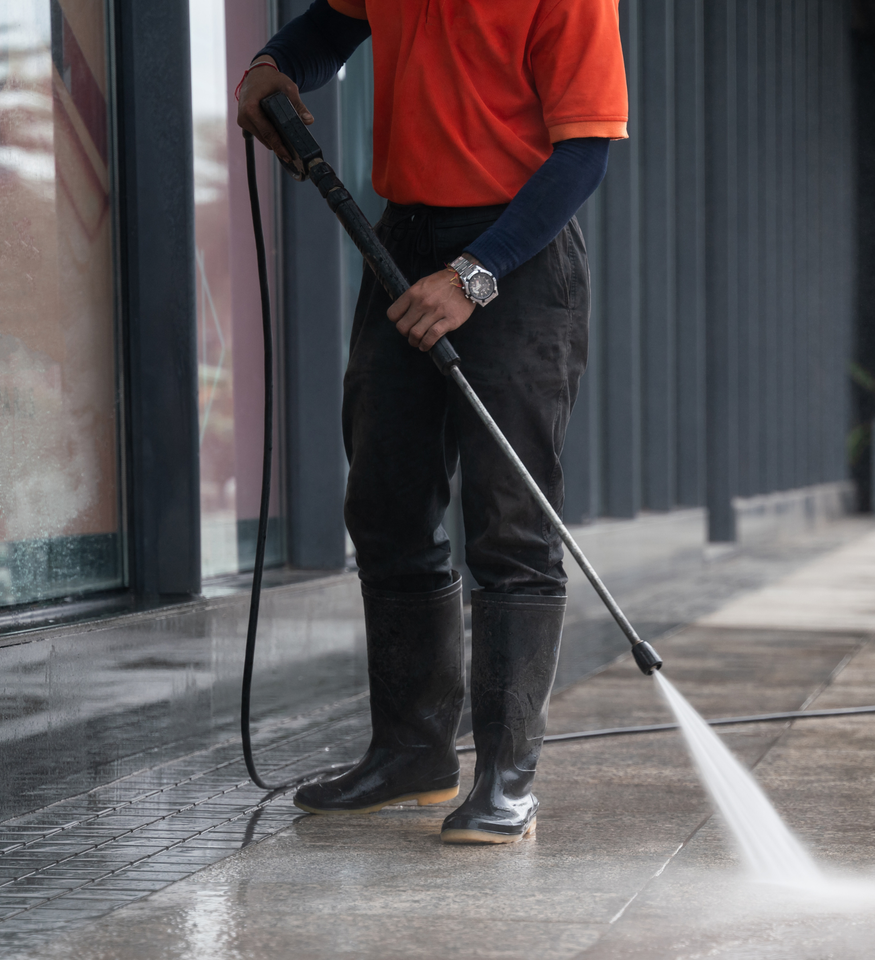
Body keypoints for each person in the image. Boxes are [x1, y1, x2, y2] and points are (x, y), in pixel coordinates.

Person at [236, 0, 626, 845]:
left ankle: (506, 780)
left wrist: (472, 276)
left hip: (517, 255)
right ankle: (412, 755)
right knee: (385, 499)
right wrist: (269, 67)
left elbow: (583, 153)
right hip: (402, 239)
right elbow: (326, 31)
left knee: (511, 520)